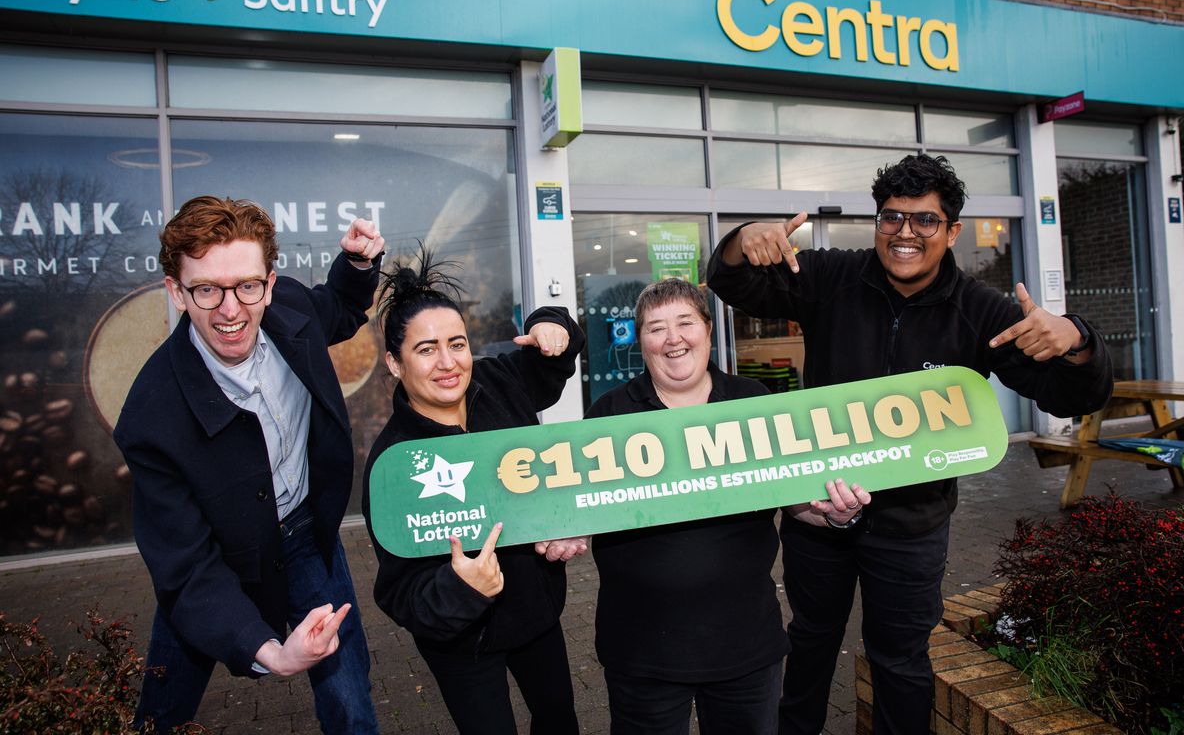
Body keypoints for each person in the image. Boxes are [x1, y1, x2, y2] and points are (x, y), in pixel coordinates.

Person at [706, 154, 1114, 734]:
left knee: (900, 660)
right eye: (892, 217)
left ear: (953, 231)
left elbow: (1072, 394)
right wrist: (743, 238)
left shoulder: (981, 311)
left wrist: (1077, 338)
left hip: (912, 528)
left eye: (925, 220)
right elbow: (732, 282)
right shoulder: (831, 277)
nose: (905, 233)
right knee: (810, 639)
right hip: (818, 514)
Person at [113, 196, 384, 732]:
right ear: (176, 292)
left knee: (350, 696)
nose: (230, 309)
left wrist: (357, 264)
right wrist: (272, 654)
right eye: (206, 289)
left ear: (270, 283)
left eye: (246, 286)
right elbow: (187, 568)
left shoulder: (290, 310)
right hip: (216, 554)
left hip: (304, 534)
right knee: (163, 709)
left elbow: (339, 306)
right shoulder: (151, 417)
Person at [555, 277, 870, 735]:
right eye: (656, 328)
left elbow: (795, 502)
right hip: (642, 653)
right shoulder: (609, 416)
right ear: (640, 340)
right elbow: (581, 508)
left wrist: (835, 516)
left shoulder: (752, 402)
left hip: (745, 648)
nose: (673, 338)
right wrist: (566, 530)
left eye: (685, 322)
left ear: (707, 328)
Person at [362, 250, 583, 735]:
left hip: (536, 615)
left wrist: (551, 323)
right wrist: (459, 590)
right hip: (462, 641)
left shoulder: (499, 383)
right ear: (395, 364)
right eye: (426, 350)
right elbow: (399, 593)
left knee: (559, 720)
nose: (448, 363)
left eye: (457, 344)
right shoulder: (393, 464)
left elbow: (558, 349)